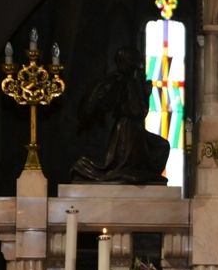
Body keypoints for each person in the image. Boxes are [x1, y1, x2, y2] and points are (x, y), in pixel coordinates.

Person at [71, 47, 169, 184]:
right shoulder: (124, 81)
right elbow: (136, 111)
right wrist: (146, 94)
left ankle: (141, 174)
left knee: (161, 147)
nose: (140, 66)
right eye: (136, 62)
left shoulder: (130, 81)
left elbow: (139, 111)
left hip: (134, 130)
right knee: (155, 149)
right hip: (127, 131)